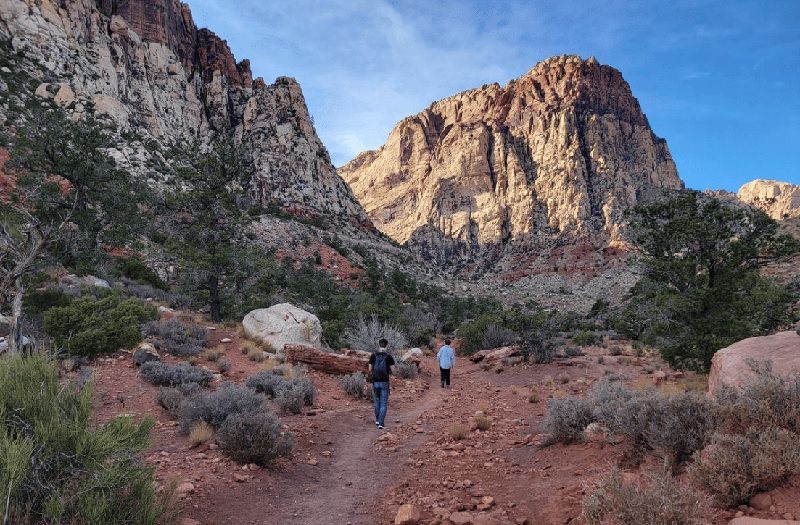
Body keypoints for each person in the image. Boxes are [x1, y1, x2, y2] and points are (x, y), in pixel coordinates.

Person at [368, 338, 395, 429]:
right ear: (387, 345)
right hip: (384, 382)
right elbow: (393, 370)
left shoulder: (373, 355)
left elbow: (369, 369)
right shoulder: (389, 356)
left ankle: (377, 420)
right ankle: (381, 423)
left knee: (377, 402)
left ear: (379, 345)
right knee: (383, 403)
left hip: (375, 382)